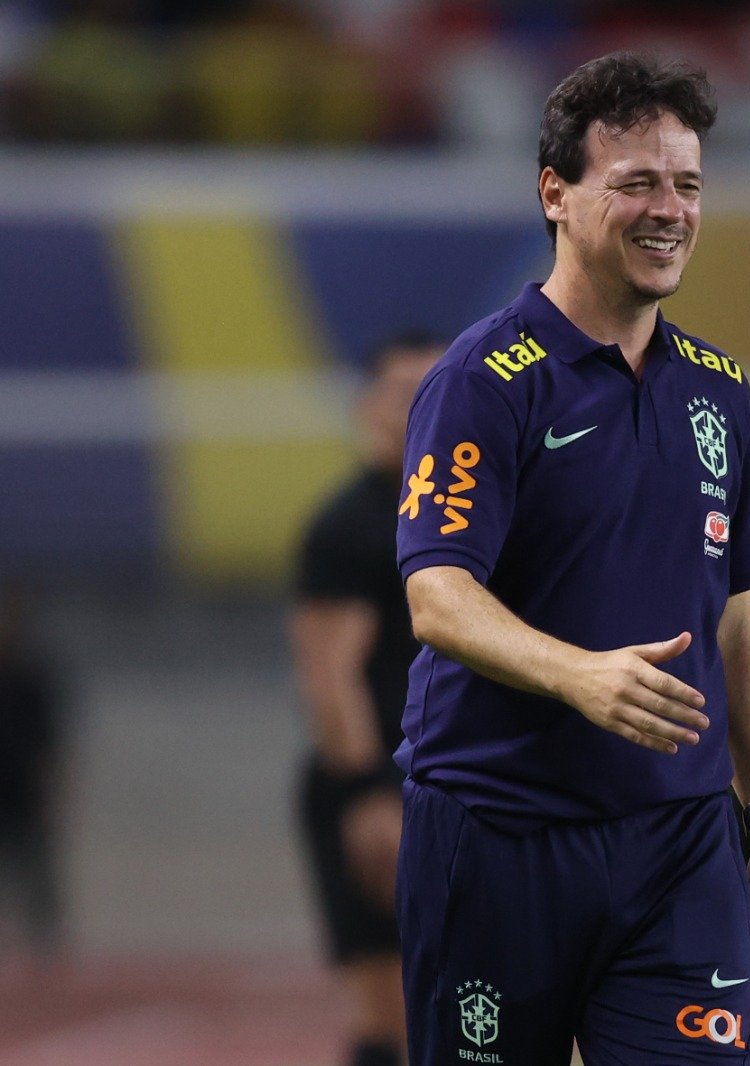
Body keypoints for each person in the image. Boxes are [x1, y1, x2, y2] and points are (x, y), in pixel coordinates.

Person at [393, 52, 750, 1066]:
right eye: (637, 183)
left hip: (678, 845)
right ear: (556, 194)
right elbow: (438, 597)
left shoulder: (719, 390)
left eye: (688, 184)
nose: (671, 209)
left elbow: (735, 614)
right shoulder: (484, 381)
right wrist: (579, 674)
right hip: (497, 838)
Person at [292, 332, 445, 1066]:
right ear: (369, 405)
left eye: (436, 389)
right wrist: (364, 792)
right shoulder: (350, 525)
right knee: (395, 1019)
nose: (422, 407)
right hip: (383, 786)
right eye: (405, 390)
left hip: (462, 784)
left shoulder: (468, 509)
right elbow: (329, 672)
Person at [0, 587, 66, 963]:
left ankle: (46, 948)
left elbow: (50, 739)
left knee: (37, 874)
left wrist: (56, 790)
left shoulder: (32, 677)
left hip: (24, 791)